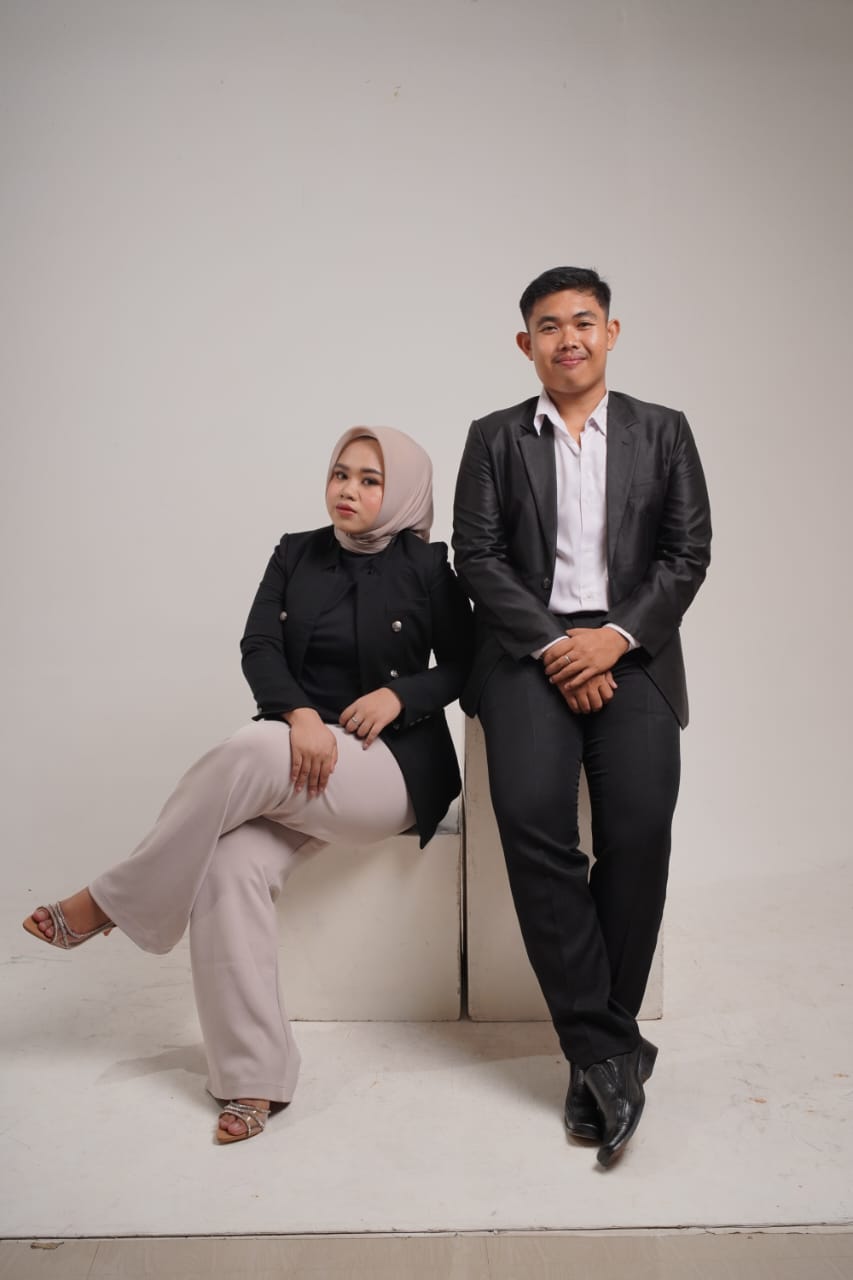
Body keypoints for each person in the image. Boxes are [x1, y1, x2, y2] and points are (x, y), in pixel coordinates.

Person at [23, 426, 472, 1145]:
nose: (348, 490)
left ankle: (110, 901)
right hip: (301, 755)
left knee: (251, 748)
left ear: (403, 494)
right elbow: (259, 644)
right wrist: (300, 714)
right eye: (340, 473)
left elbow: (466, 663)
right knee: (228, 864)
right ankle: (252, 1078)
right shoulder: (295, 552)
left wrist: (401, 696)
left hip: (388, 768)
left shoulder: (427, 567)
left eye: (370, 480)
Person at [452, 266, 711, 1168]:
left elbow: (686, 553)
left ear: (611, 332)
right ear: (524, 343)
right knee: (532, 818)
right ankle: (606, 1052)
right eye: (550, 326)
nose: (568, 338)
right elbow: (477, 558)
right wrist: (556, 646)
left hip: (632, 650)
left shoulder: (662, 431)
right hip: (526, 651)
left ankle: (597, 1046)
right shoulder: (493, 437)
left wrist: (612, 639)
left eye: (584, 322)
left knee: (638, 828)